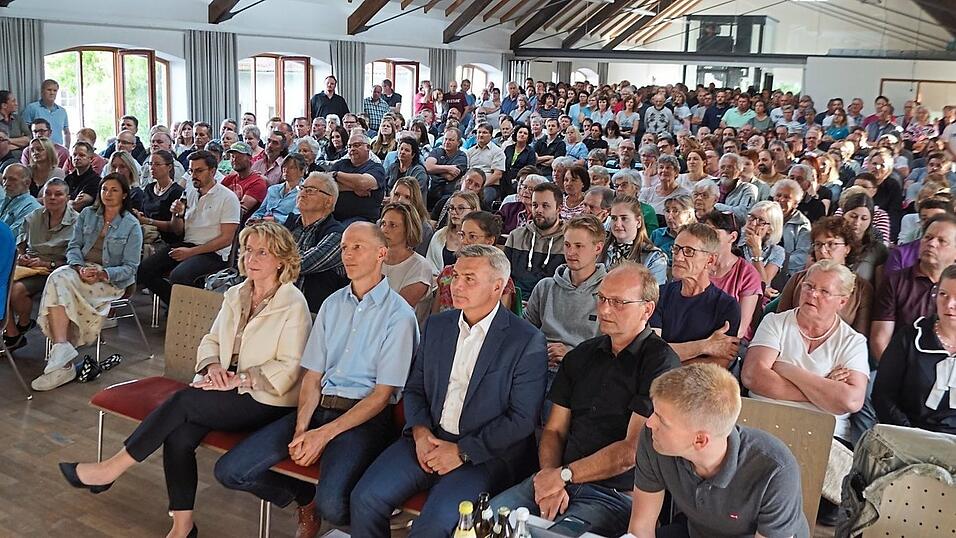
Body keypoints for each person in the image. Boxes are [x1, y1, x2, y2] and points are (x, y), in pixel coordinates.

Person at [60, 222, 311, 538]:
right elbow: (211, 340)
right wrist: (211, 368)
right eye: (248, 249)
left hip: (266, 398)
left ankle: (110, 469)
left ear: (281, 260)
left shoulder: (292, 303)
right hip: (225, 389)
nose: (252, 257)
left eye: (263, 252)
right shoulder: (237, 292)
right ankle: (183, 526)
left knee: (181, 401)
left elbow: (289, 368)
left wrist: (239, 380)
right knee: (178, 435)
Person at [214, 222, 417, 537]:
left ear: (381, 253)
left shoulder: (399, 315)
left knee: (334, 507)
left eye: (357, 247)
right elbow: (312, 376)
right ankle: (304, 498)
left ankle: (374, 507)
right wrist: (301, 430)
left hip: (363, 418)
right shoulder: (333, 304)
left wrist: (322, 436)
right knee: (230, 471)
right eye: (344, 248)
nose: (347, 255)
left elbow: (381, 396)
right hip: (317, 405)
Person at [350, 244, 547, 537]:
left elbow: (521, 418)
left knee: (433, 527)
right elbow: (415, 387)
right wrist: (419, 432)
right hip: (428, 438)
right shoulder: (438, 326)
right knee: (365, 498)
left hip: (483, 454)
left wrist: (462, 452)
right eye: (455, 276)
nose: (457, 285)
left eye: (470, 279)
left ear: (497, 287)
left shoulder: (525, 340)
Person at [495, 262, 679, 536]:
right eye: (602, 298)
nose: (604, 309)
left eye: (618, 302)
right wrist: (550, 477)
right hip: (558, 478)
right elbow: (554, 430)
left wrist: (564, 475)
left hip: (614, 492)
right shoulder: (581, 355)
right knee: (487, 523)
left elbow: (630, 452)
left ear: (647, 309)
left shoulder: (661, 363)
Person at [628, 363, 809, 538]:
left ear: (700, 440)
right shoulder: (654, 438)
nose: (650, 423)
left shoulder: (776, 469)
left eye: (662, 420)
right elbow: (641, 527)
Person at [30, 173, 143, 391]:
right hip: (81, 270)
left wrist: (103, 274)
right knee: (58, 277)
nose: (107, 194)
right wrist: (79, 267)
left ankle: (62, 358)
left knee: (59, 283)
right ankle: (62, 352)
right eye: (104, 189)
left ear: (124, 195)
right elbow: (74, 247)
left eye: (114, 190)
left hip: (111, 279)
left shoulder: (131, 225)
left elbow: (130, 268)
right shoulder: (88, 215)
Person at [743, 260, 869, 442]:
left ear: (842, 301)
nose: (813, 294)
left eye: (824, 291)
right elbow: (752, 376)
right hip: (764, 423)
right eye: (808, 286)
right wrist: (824, 389)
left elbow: (851, 401)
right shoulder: (775, 323)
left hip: (823, 435)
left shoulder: (852, 342)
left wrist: (787, 370)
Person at [137, 151, 240, 305]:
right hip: (188, 244)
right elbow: (177, 230)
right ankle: (179, 306)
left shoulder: (227, 197)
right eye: (191, 171)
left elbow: (226, 239)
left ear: (212, 171)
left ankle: (184, 309)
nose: (193, 176)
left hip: (214, 253)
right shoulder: (189, 191)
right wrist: (177, 215)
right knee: (144, 270)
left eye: (199, 171)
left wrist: (191, 252)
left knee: (179, 276)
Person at [873, 263, 956, 435]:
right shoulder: (910, 337)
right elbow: (884, 396)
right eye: (943, 295)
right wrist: (911, 436)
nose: (949, 304)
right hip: (908, 439)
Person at [650, 223, 741, 367]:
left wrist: (668, 357)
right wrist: (705, 346)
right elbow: (652, 353)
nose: (678, 257)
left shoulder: (726, 306)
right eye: (676, 249)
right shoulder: (660, 294)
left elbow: (718, 364)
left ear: (710, 260)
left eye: (688, 251)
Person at [2, 178, 77, 351]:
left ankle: (23, 324)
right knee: (2, 284)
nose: (52, 198)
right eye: (48, 194)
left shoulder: (77, 222)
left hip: (56, 270)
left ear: (67, 197)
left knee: (15, 291)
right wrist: (21, 256)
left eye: (58, 194)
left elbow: (74, 258)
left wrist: (46, 263)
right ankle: (12, 331)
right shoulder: (34, 217)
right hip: (29, 266)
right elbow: (20, 245)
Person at [870, 214, 956, 360]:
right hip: (903, 366)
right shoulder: (895, 281)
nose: (932, 243)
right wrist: (894, 373)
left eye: (942, 241)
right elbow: (880, 339)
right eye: (928, 237)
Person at [777, 216, 874, 337]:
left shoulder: (862, 288)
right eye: (818, 244)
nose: (822, 250)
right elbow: (780, 321)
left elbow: (860, 336)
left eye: (831, 244)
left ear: (847, 249)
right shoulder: (798, 279)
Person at [283, 172, 347, 313]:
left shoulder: (338, 235)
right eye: (302, 188)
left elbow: (301, 264)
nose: (303, 194)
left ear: (329, 201)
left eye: (310, 190)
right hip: (279, 305)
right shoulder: (290, 224)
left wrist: (270, 259)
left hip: (313, 314)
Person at [433, 211, 515, 314]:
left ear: (489, 241)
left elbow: (500, 320)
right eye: (462, 235)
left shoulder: (500, 278)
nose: (464, 241)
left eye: (472, 236)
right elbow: (435, 315)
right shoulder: (447, 273)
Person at [702, 210, 763, 339]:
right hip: (695, 335)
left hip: (729, 341)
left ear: (733, 237)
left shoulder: (747, 274)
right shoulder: (698, 264)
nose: (706, 236)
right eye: (705, 230)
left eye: (713, 231)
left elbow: (740, 329)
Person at [505, 182, 567, 298]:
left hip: (550, 303)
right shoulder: (516, 236)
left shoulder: (569, 241)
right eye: (535, 205)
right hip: (516, 301)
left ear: (559, 208)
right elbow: (505, 277)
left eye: (545, 206)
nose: (538, 210)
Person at [379, 202, 436, 318]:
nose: (384, 230)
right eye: (383, 224)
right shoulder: (373, 258)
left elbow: (397, 310)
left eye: (393, 225)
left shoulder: (420, 267)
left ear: (408, 229)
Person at [602, 196, 667, 284]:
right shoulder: (600, 249)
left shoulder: (654, 257)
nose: (617, 224)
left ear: (638, 222)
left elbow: (654, 294)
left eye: (624, 218)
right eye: (614, 218)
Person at [329, 132, 387, 224]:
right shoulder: (340, 164)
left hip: (363, 220)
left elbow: (363, 182)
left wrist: (336, 175)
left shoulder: (376, 168)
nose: (352, 149)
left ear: (368, 147)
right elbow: (327, 186)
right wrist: (354, 187)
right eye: (349, 146)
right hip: (334, 216)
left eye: (356, 145)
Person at [133, 149, 185, 247]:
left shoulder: (176, 192)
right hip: (146, 234)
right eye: (150, 164)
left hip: (166, 240)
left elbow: (175, 228)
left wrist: (148, 221)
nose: (152, 168)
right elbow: (144, 211)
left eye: (157, 164)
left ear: (169, 167)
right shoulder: (149, 188)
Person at [839, 192, 888, 286]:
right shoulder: (831, 242)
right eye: (853, 216)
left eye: (864, 218)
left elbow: (880, 286)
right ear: (844, 214)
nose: (857, 222)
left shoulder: (878, 250)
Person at [425, 190, 480, 271]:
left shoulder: (480, 237)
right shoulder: (440, 235)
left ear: (474, 210)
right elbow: (429, 265)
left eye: (460, 208)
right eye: (451, 208)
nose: (454, 212)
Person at [772, 179, 811, 289]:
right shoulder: (765, 215)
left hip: (785, 276)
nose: (781, 200)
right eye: (778, 195)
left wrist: (774, 263)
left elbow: (802, 256)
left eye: (787, 197)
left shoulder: (802, 224)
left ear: (796, 203)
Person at [248, 153, 303, 224]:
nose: (286, 170)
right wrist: (254, 218)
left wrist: (274, 219)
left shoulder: (303, 192)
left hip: (283, 229)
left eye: (291, 167)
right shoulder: (273, 189)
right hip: (264, 224)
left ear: (302, 171)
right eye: (284, 167)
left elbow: (297, 217)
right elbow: (261, 211)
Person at [389, 176, 434, 256]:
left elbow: (419, 262)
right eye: (397, 195)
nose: (400, 200)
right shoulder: (382, 223)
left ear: (415, 201)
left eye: (407, 197)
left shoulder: (425, 230)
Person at [21, 79, 70, 146]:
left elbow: (66, 132)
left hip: (58, 150)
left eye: (55, 90)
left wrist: (66, 149)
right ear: (42, 91)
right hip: (38, 149)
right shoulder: (32, 108)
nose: (52, 93)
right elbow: (24, 132)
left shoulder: (62, 111)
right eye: (49, 90)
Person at [466, 123, 505, 205]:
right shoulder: (470, 151)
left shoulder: (497, 152)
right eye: (479, 132)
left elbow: (497, 175)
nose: (481, 135)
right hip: (470, 184)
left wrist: (480, 186)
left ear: (491, 136)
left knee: (483, 200)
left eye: (484, 132)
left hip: (489, 186)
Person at [0, 163, 42, 239]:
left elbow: (8, 237)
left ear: (27, 183)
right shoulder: (5, 199)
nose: (6, 183)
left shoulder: (32, 208)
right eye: (4, 179)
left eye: (12, 179)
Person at [651, 194, 695, 264]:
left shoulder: (695, 237)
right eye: (667, 211)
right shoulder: (657, 234)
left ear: (689, 215)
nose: (669, 217)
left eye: (675, 211)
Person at [714, 153, 758, 222]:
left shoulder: (748, 189)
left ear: (739, 171)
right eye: (722, 167)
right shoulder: (709, 184)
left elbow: (743, 214)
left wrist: (715, 206)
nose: (725, 170)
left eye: (730, 167)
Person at [64, 142, 103, 210]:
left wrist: (66, 201)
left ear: (90, 159)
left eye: (82, 155)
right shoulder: (68, 178)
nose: (77, 158)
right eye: (74, 155)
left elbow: (77, 206)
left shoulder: (96, 180)